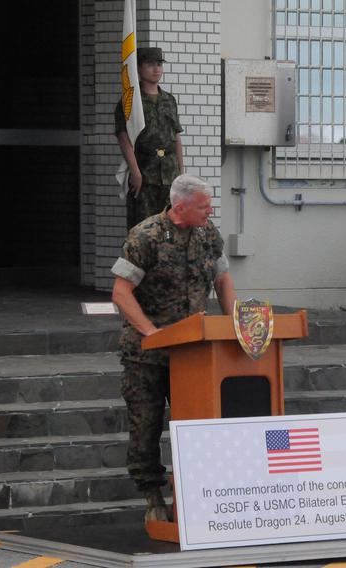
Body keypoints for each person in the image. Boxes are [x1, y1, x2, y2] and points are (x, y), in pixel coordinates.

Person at [111, 174, 236, 522]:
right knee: (146, 426)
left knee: (197, 425)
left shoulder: (208, 235)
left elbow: (223, 280)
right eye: (203, 206)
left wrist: (235, 325)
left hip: (193, 354)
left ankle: (197, 496)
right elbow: (121, 293)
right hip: (147, 356)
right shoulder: (145, 236)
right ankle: (153, 498)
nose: (210, 211)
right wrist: (151, 332)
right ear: (180, 207)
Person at [115, 46, 184, 230]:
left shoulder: (169, 100)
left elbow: (176, 136)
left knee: (170, 227)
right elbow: (124, 139)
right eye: (151, 64)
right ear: (138, 68)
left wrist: (180, 172)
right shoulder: (131, 102)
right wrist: (135, 172)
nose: (157, 69)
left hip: (169, 173)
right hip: (145, 172)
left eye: (159, 64)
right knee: (143, 228)